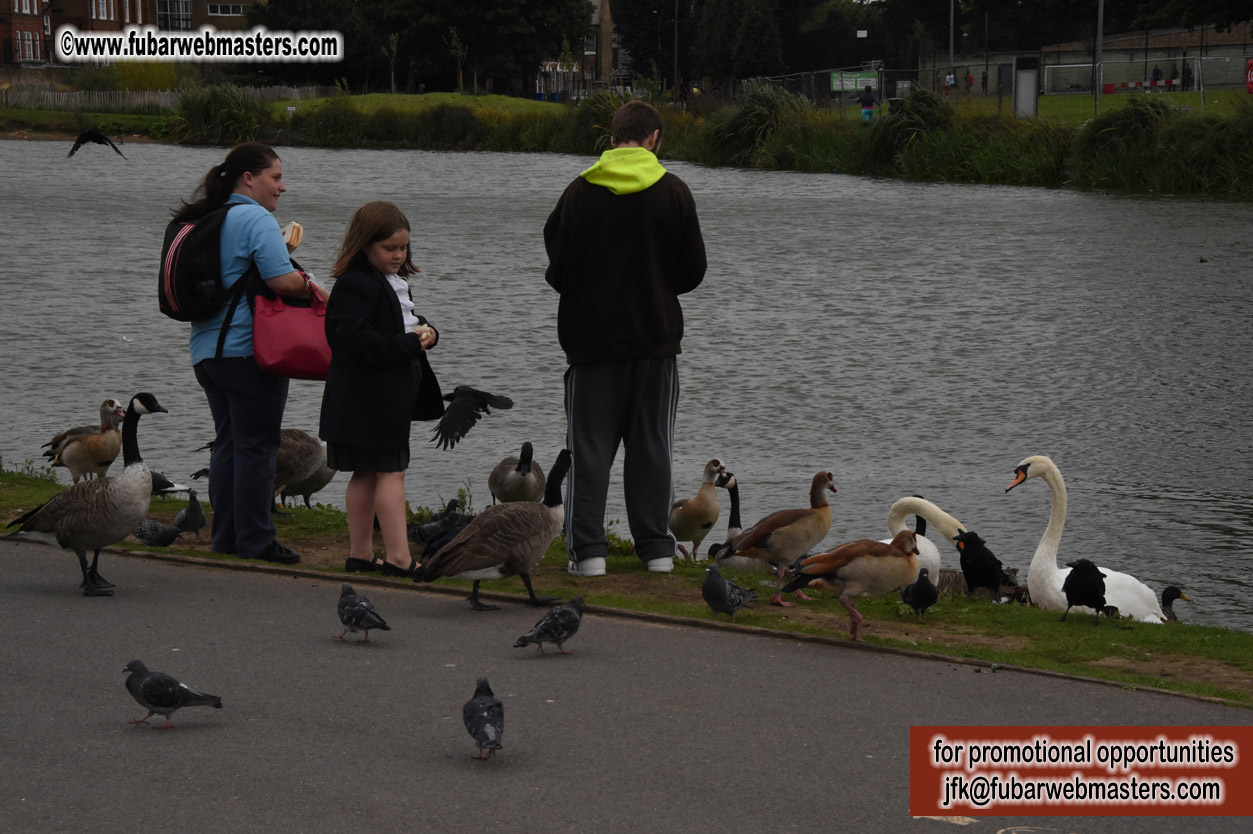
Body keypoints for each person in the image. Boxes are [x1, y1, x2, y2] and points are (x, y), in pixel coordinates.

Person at [543, 100, 707, 577]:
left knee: (589, 450)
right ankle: (657, 550)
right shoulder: (674, 191)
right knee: (652, 446)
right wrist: (655, 285)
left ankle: (589, 555)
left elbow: (557, 264)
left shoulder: (578, 192)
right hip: (655, 343)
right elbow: (693, 271)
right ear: (654, 138)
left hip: (590, 345)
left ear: (612, 138)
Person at [178, 142, 319, 565]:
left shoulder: (209, 217)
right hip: (249, 352)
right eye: (275, 177)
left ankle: (225, 539)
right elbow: (282, 282)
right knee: (258, 447)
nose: (282, 186)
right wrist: (308, 281)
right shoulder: (255, 217)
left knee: (228, 444)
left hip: (208, 353)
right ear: (248, 179)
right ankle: (257, 542)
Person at [319, 201, 440, 578]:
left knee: (366, 473)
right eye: (390, 248)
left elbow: (403, 321)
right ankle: (400, 557)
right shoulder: (356, 284)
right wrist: (412, 344)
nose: (399, 255)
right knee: (390, 473)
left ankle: (360, 553)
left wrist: (427, 332)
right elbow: (355, 340)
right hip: (371, 399)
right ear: (364, 244)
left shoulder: (386, 282)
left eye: (404, 247)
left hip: (367, 398)